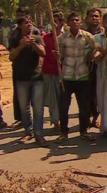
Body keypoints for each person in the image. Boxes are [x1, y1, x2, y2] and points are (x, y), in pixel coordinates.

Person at [57, 12, 96, 142]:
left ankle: (83, 131)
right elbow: (59, 55)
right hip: (66, 77)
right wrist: (56, 55)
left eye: (77, 19)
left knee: (84, 107)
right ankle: (64, 132)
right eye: (72, 20)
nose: (74, 22)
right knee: (63, 107)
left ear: (80, 22)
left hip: (83, 77)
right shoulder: (61, 38)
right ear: (68, 23)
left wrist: (92, 56)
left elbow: (95, 50)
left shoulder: (88, 37)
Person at [8, 16, 46, 146]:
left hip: (37, 77)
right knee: (24, 108)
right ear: (20, 26)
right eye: (26, 22)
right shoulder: (14, 38)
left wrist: (33, 43)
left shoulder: (37, 36)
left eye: (30, 22)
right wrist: (21, 45)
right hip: (21, 78)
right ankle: (28, 132)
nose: (29, 24)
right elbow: (11, 57)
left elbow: (43, 53)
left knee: (38, 108)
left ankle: (39, 134)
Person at [42, 11, 64, 129]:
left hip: (63, 72)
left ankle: (62, 119)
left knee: (63, 98)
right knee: (52, 98)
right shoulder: (45, 37)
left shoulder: (66, 37)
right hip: (49, 72)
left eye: (55, 22)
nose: (53, 24)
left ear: (61, 23)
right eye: (51, 22)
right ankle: (55, 121)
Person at [85, 8, 104, 128]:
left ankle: (96, 118)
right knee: (87, 95)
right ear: (87, 18)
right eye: (92, 16)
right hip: (85, 68)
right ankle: (88, 117)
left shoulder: (104, 33)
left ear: (100, 19)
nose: (94, 18)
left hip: (101, 68)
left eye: (97, 16)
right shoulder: (83, 33)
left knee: (99, 94)